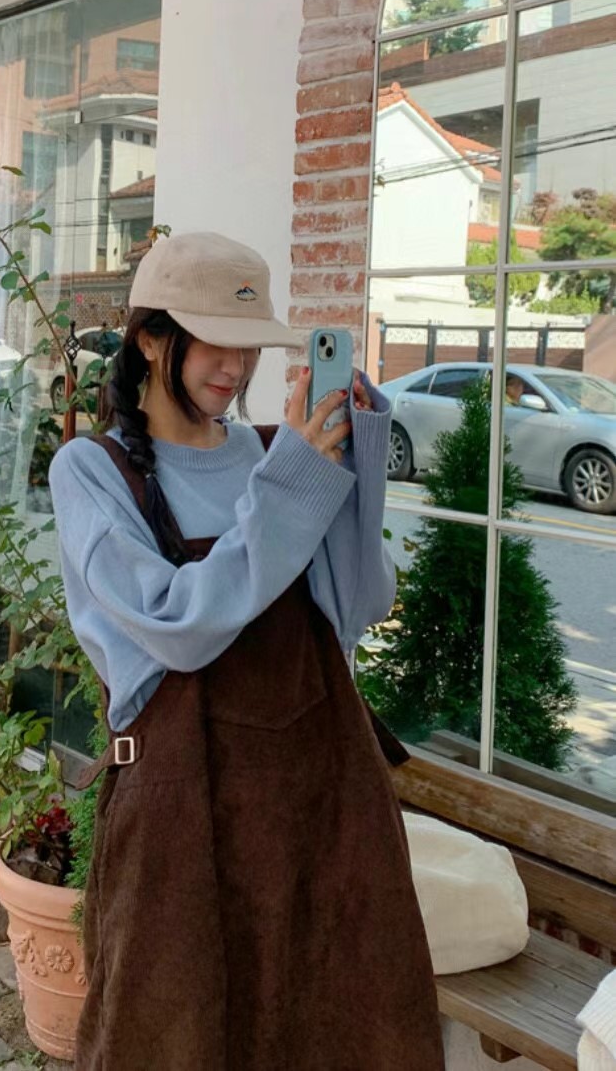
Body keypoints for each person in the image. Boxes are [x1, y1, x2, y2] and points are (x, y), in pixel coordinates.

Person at [48, 231, 444, 1070]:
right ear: (150, 340)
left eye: (248, 346)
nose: (233, 368)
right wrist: (292, 485)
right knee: (176, 1025)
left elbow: (356, 606)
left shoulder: (275, 451)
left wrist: (355, 465)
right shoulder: (93, 471)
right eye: (212, 342)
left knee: (335, 1021)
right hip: (179, 803)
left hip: (318, 793)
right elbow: (179, 625)